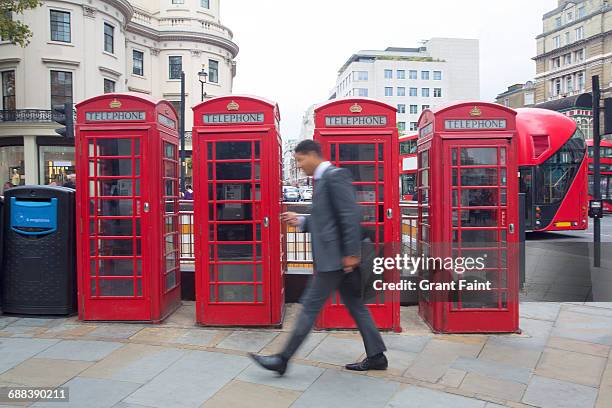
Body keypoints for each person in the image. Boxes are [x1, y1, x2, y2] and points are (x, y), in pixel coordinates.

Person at [249, 140, 388, 376]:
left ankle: (282, 359)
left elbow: (349, 215)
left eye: (301, 160)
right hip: (337, 260)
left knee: (309, 308)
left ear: (313, 155)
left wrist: (352, 254)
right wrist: (302, 220)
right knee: (356, 307)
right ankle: (377, 356)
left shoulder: (335, 176)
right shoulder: (322, 181)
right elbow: (328, 220)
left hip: (335, 260)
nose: (300, 165)